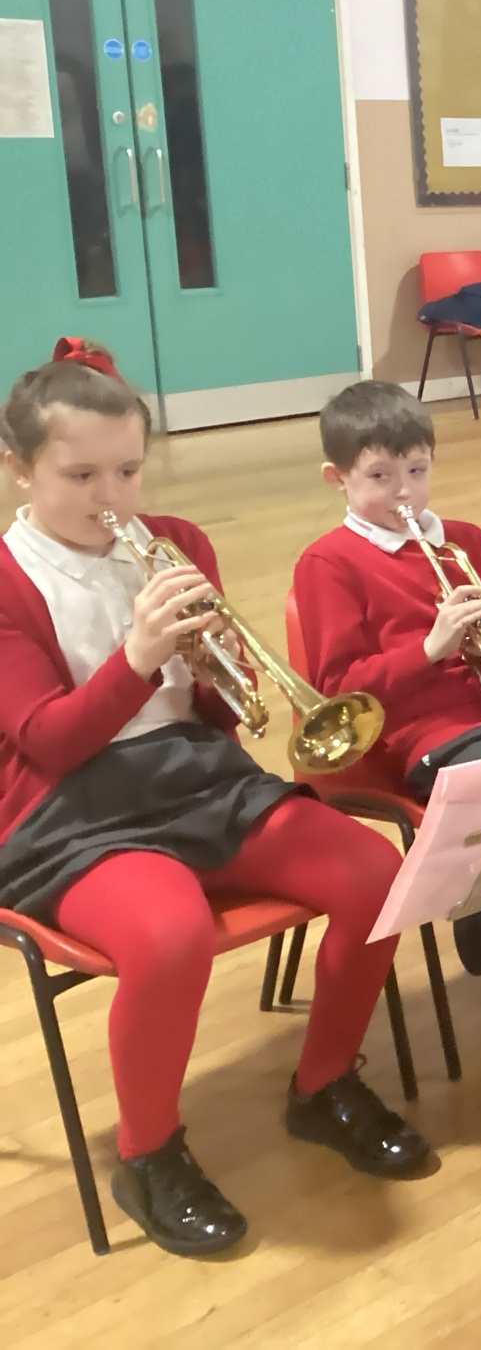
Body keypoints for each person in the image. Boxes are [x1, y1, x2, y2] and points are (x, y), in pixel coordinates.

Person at [0, 345, 430, 1258]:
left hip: (193, 778)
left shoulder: (176, 543)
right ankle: (148, 1154)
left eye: (128, 470)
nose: (112, 497)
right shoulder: (6, 579)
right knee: (170, 935)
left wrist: (214, 673)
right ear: (18, 469)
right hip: (66, 813)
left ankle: (323, 1084)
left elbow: (222, 716)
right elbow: (50, 741)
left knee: (374, 874)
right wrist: (140, 655)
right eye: (81, 476)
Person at [295, 381, 481, 1000]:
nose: (403, 491)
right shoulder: (329, 564)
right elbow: (339, 691)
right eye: (380, 476)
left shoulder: (467, 542)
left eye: (417, 471)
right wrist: (430, 648)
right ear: (336, 479)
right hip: (426, 734)